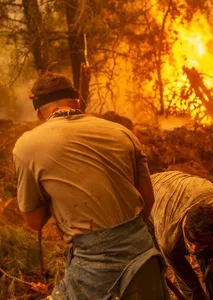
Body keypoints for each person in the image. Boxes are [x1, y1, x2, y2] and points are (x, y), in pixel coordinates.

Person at [13, 72, 169, 299]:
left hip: (92, 267)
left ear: (38, 112)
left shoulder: (27, 146)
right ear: (77, 100)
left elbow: (34, 221)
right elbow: (148, 200)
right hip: (143, 256)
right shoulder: (122, 133)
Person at [147, 171, 213, 300]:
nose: (193, 248)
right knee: (155, 262)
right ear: (185, 227)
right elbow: (187, 282)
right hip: (149, 194)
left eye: (201, 242)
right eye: (192, 240)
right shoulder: (168, 239)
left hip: (190, 189)